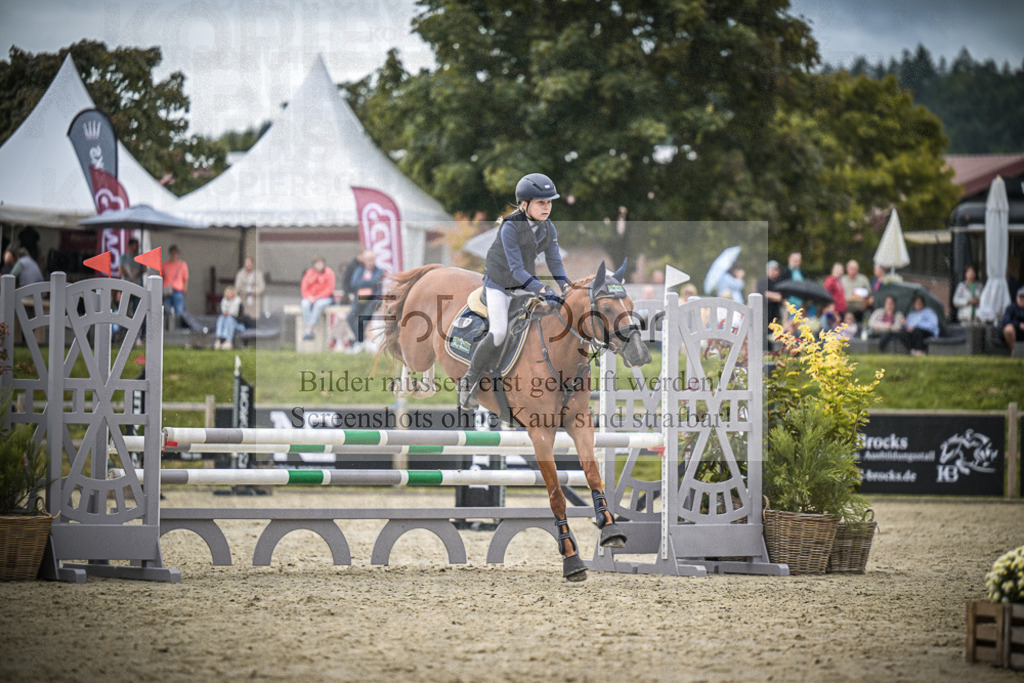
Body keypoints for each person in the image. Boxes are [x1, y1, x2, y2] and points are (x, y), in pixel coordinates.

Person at [458, 172, 571, 410]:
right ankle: (469, 381)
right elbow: (516, 269)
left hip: (523, 284)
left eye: (549, 202)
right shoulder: (510, 226)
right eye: (541, 202)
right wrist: (541, 288)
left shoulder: (548, 228)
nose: (547, 207)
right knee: (499, 332)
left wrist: (566, 286)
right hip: (499, 284)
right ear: (524, 204)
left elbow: (555, 262)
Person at [347, 249, 385, 349]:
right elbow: (354, 283)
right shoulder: (359, 270)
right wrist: (368, 282)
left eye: (371, 259)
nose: (369, 262)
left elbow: (375, 281)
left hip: (373, 300)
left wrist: (362, 281)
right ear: (363, 260)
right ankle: (360, 340)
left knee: (363, 319)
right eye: (367, 259)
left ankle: (358, 342)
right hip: (359, 299)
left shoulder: (379, 271)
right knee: (350, 317)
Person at [300, 256, 335, 340]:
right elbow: (304, 288)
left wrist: (318, 297)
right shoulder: (309, 273)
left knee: (319, 305)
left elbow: (330, 289)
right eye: (317, 263)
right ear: (314, 265)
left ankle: (310, 328)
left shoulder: (329, 272)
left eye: (321, 263)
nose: (319, 265)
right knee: (304, 304)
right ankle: (309, 329)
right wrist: (309, 297)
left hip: (324, 298)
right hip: (310, 297)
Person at [755, 259, 783, 341]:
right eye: (773, 269)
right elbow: (765, 293)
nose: (775, 272)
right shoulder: (763, 280)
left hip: (775, 312)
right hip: (765, 311)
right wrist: (777, 296)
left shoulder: (778, 281)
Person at [161, 245, 189, 319]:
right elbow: (161, 278)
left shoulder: (182, 265)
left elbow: (185, 279)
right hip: (167, 291)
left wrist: (184, 291)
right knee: (167, 311)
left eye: (175, 253)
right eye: (172, 253)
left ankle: (177, 328)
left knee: (179, 311)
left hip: (178, 291)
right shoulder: (164, 265)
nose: (174, 255)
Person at [214, 285, 245, 349]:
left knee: (229, 319)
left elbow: (241, 319)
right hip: (224, 323)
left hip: (237, 325)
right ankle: (219, 339)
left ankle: (228, 341)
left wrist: (231, 316)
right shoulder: (223, 303)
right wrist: (225, 315)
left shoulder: (238, 303)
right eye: (228, 293)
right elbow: (219, 314)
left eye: (231, 293)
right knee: (221, 318)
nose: (229, 294)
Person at [1001, 287, 1024, 353]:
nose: (1022, 299)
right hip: (1015, 333)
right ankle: (1014, 351)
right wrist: (1019, 325)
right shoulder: (1010, 308)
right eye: (1020, 296)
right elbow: (1005, 321)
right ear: (1017, 297)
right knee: (1008, 329)